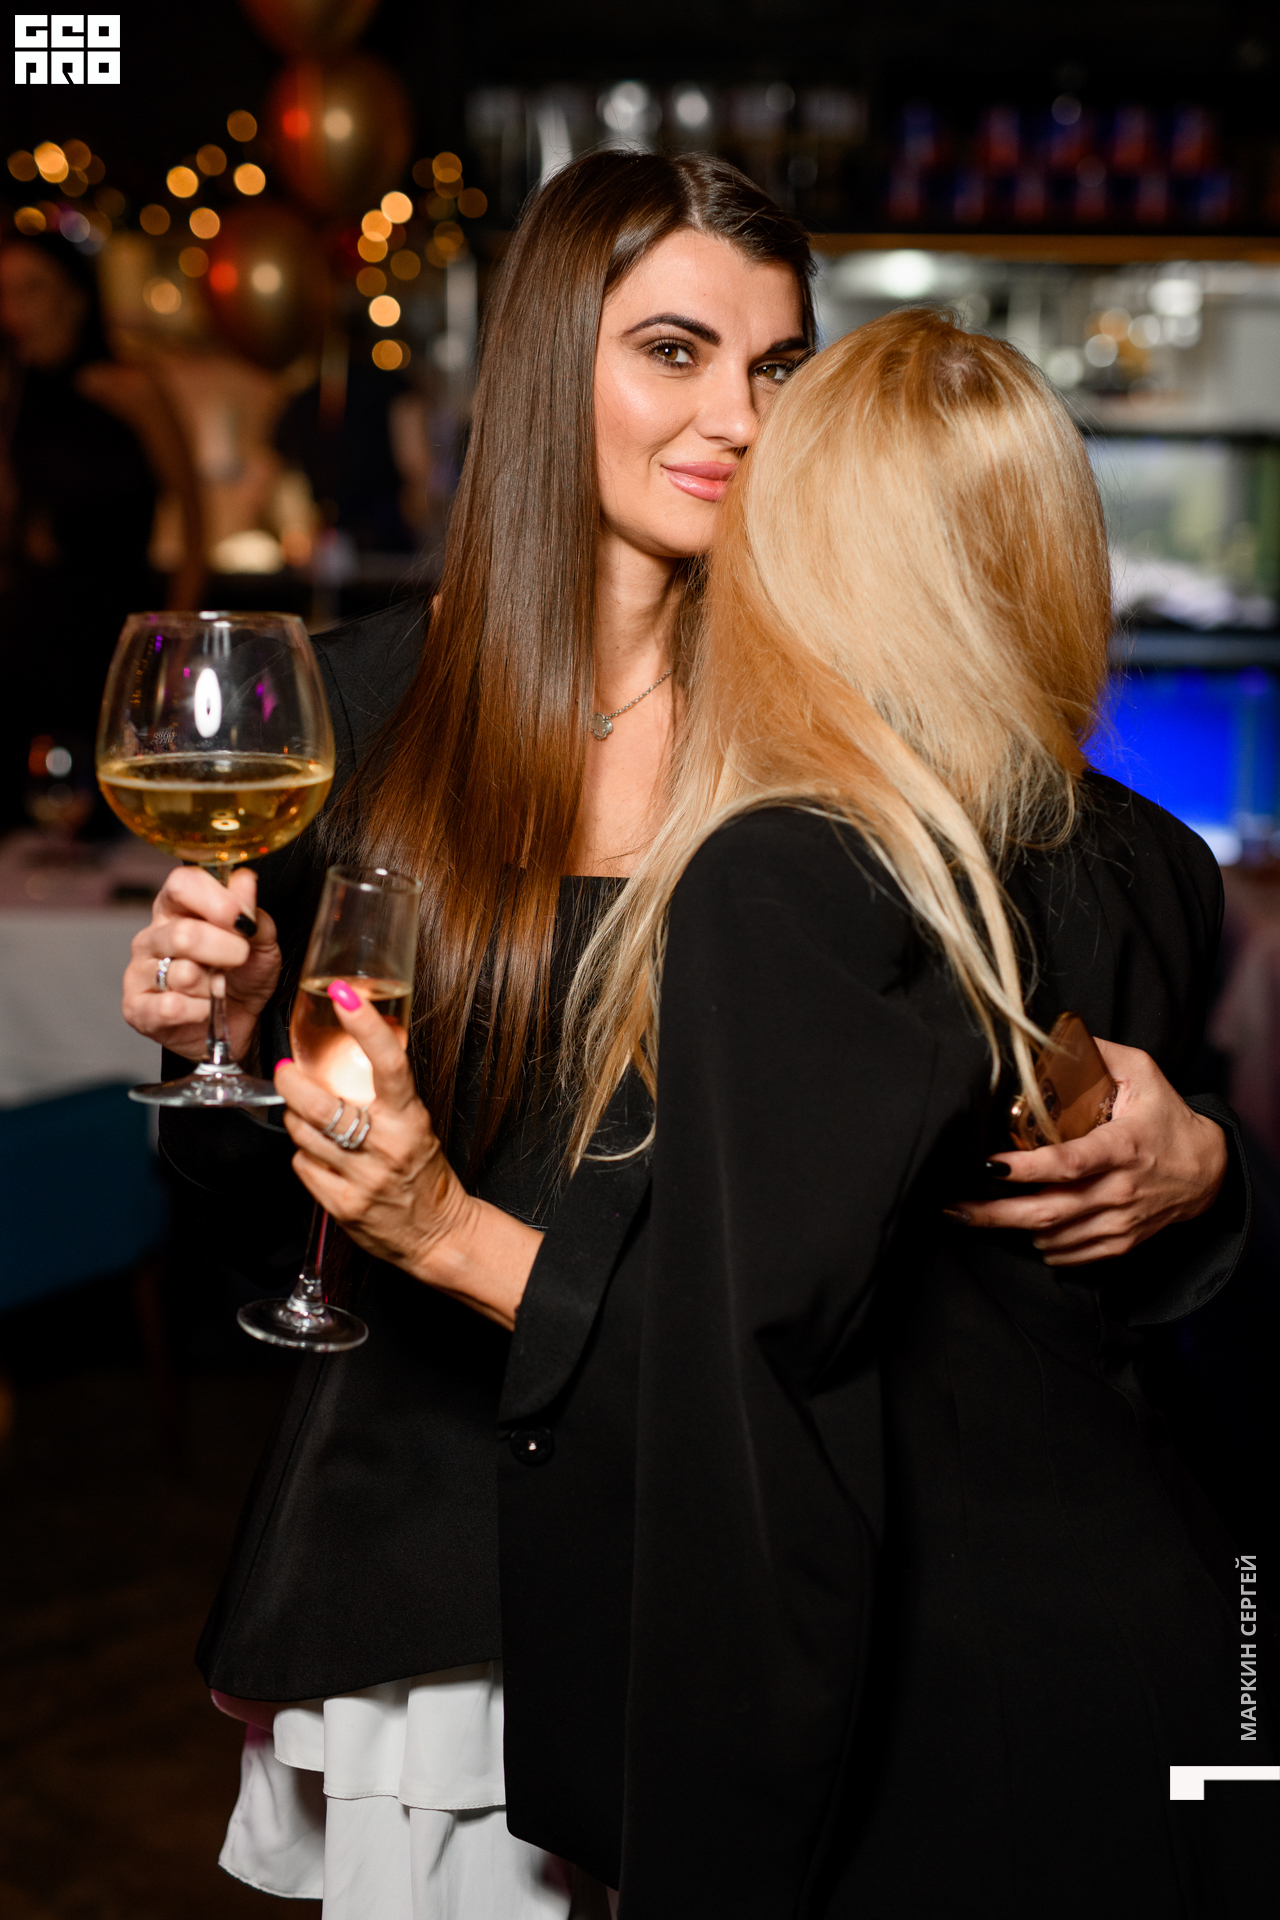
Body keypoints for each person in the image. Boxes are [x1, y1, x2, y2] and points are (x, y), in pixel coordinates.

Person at [122, 160, 1243, 1916]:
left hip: (787, 1570)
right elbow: (271, 1224)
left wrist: (1203, 1170)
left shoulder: (859, 724)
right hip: (443, 1555)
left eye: (781, 365)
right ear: (545, 367)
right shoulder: (352, 710)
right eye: (674, 350)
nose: (740, 415)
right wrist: (234, 1040)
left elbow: (1004, 1191)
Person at [0, 229, 204, 827]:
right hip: (31, 631)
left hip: (116, 635)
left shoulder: (131, 388)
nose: (15, 309)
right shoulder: (14, 397)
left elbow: (194, 523)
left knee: (121, 808)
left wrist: (172, 640)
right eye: (5, 293)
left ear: (75, 297)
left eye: (31, 289)